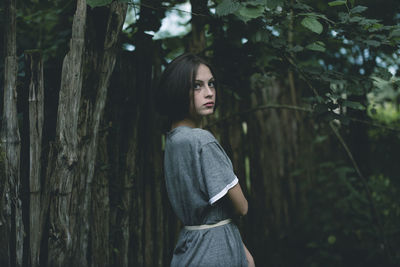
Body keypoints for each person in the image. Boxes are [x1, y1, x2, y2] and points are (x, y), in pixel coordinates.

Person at [155, 53, 255, 267]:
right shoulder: (201, 140)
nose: (209, 93)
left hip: (190, 248)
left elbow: (210, 215)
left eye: (211, 84)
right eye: (197, 86)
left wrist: (242, 248)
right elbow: (242, 207)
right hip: (215, 252)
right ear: (177, 90)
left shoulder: (174, 141)